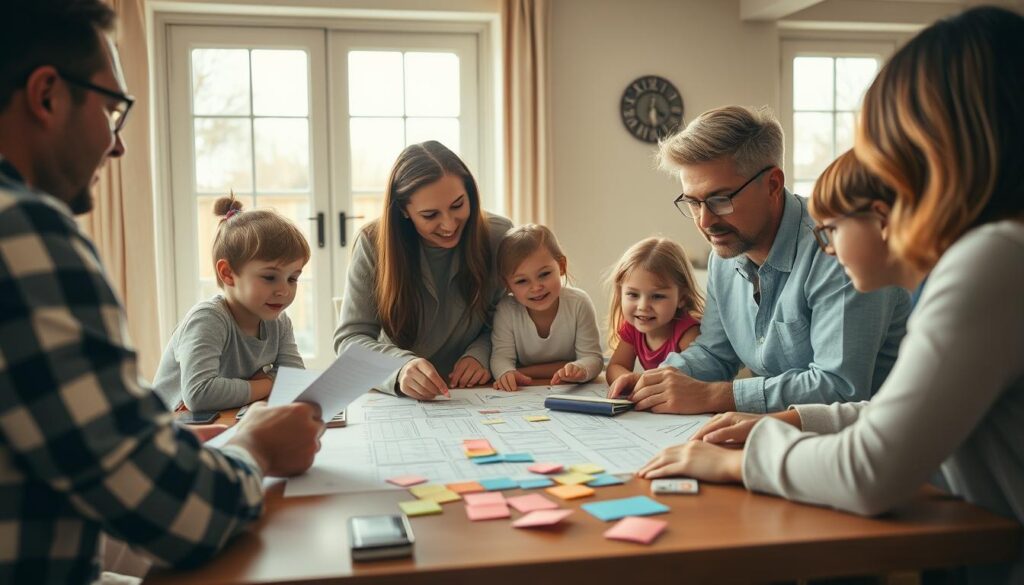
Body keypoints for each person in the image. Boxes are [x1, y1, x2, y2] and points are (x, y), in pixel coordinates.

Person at [639, 7, 1024, 579]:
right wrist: (792, 421)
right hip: (966, 534)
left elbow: (871, 470)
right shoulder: (993, 252)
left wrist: (741, 457)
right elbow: (888, 416)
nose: (882, 170)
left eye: (892, 145)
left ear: (949, 142)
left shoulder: (991, 259)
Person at [0, 2, 323, 582]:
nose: (117, 145)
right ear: (47, 95)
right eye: (112, 110)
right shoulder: (23, 233)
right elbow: (177, 514)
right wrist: (258, 447)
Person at [608, 105, 911, 415]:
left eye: (720, 200)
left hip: (871, 444)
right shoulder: (724, 255)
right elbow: (715, 353)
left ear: (773, 185)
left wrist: (718, 396)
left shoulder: (841, 249)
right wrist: (654, 382)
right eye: (694, 203)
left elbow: (839, 386)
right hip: (783, 434)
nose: (705, 221)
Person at [334, 140, 512, 399]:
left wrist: (480, 354)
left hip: (477, 392)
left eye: (458, 205)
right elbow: (350, 341)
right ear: (404, 210)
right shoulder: (372, 243)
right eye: (430, 215)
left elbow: (509, 317)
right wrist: (399, 368)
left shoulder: (500, 235)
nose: (449, 224)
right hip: (399, 399)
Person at [153, 195, 310, 412]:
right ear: (228, 274)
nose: (284, 290)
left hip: (226, 417)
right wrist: (269, 382)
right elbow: (199, 394)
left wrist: (255, 386)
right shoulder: (208, 319)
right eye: (269, 277)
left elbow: (294, 378)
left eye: (292, 278)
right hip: (175, 428)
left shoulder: (279, 322)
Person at [490, 224, 603, 391]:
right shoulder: (506, 310)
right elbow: (500, 358)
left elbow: (593, 358)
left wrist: (580, 369)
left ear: (562, 266)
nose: (536, 287)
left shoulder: (579, 303)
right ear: (507, 285)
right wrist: (506, 372)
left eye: (544, 274)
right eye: (522, 281)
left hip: (568, 388)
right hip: (527, 389)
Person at [605, 237, 703, 388]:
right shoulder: (633, 328)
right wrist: (633, 381)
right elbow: (614, 367)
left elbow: (696, 381)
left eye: (657, 296)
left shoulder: (687, 332)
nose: (643, 306)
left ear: (681, 298)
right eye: (633, 295)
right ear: (620, 292)